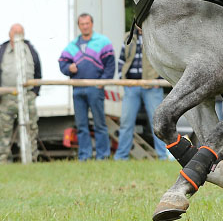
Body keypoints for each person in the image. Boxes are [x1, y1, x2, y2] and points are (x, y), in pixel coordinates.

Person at [59, 13, 115, 160]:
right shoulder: (72, 46)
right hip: (77, 89)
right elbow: (62, 63)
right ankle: (84, 156)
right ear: (79, 26)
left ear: (92, 24)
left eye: (87, 23)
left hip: (95, 88)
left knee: (99, 124)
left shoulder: (103, 42)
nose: (85, 26)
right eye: (82, 24)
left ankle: (103, 156)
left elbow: (110, 65)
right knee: (81, 125)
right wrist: (68, 68)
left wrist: (101, 82)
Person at [0, 24, 42, 163]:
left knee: (31, 128)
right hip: (6, 96)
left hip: (27, 95)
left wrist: (35, 92)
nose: (17, 34)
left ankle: (32, 158)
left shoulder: (30, 50)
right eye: (15, 31)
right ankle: (3, 160)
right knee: (3, 130)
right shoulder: (1, 51)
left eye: (20, 32)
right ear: (9, 33)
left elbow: (38, 72)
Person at [115, 29, 169, 160]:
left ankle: (163, 156)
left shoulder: (156, 35)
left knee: (158, 122)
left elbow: (165, 60)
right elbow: (121, 60)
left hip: (152, 86)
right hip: (131, 86)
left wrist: (160, 80)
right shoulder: (128, 37)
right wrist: (122, 79)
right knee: (126, 123)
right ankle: (121, 157)